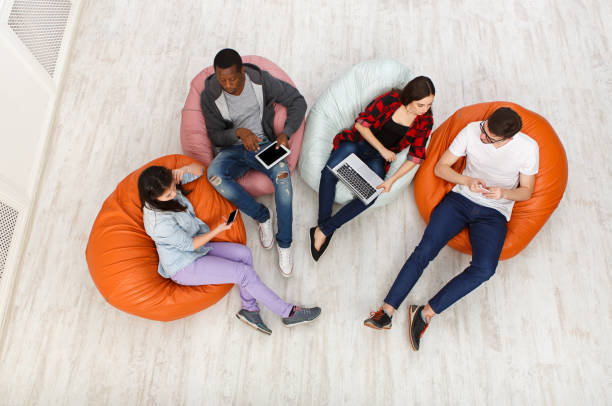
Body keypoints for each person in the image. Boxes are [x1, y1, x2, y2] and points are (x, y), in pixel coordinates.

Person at [363, 107, 539, 351]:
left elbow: (527, 190)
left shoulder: (527, 148)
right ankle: (386, 312)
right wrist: (467, 181)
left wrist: (504, 193)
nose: (482, 137)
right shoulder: (472, 130)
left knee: (485, 269)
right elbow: (441, 168)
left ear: (508, 139)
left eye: (488, 137)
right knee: (424, 250)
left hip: (494, 213)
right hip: (459, 201)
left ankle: (424, 314)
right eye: (483, 129)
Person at [138, 163, 321, 335]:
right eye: (168, 195)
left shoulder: (167, 183)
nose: (173, 193)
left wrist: (183, 169)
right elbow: (189, 245)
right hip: (184, 264)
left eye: (173, 188)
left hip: (196, 248)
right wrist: (218, 229)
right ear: (154, 198)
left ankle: (250, 309)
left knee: (244, 253)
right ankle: (287, 312)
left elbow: (200, 170)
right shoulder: (159, 223)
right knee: (243, 273)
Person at [201, 48, 307, 277]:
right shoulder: (209, 95)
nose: (228, 84)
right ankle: (262, 216)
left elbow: (298, 101)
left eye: (233, 78)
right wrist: (238, 133)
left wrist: (286, 133)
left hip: (265, 146)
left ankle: (285, 244)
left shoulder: (261, 81)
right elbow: (215, 136)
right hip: (233, 149)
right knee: (214, 175)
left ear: (242, 72)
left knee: (284, 182)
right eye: (222, 79)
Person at [309, 76, 435, 261]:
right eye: (420, 105)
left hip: (377, 160)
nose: (425, 110)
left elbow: (415, 157)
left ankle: (324, 229)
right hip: (358, 142)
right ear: (409, 98)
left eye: (429, 105)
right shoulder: (390, 100)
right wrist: (383, 149)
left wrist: (391, 180)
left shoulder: (425, 122)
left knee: (370, 196)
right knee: (329, 172)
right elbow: (361, 125)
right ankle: (322, 226)